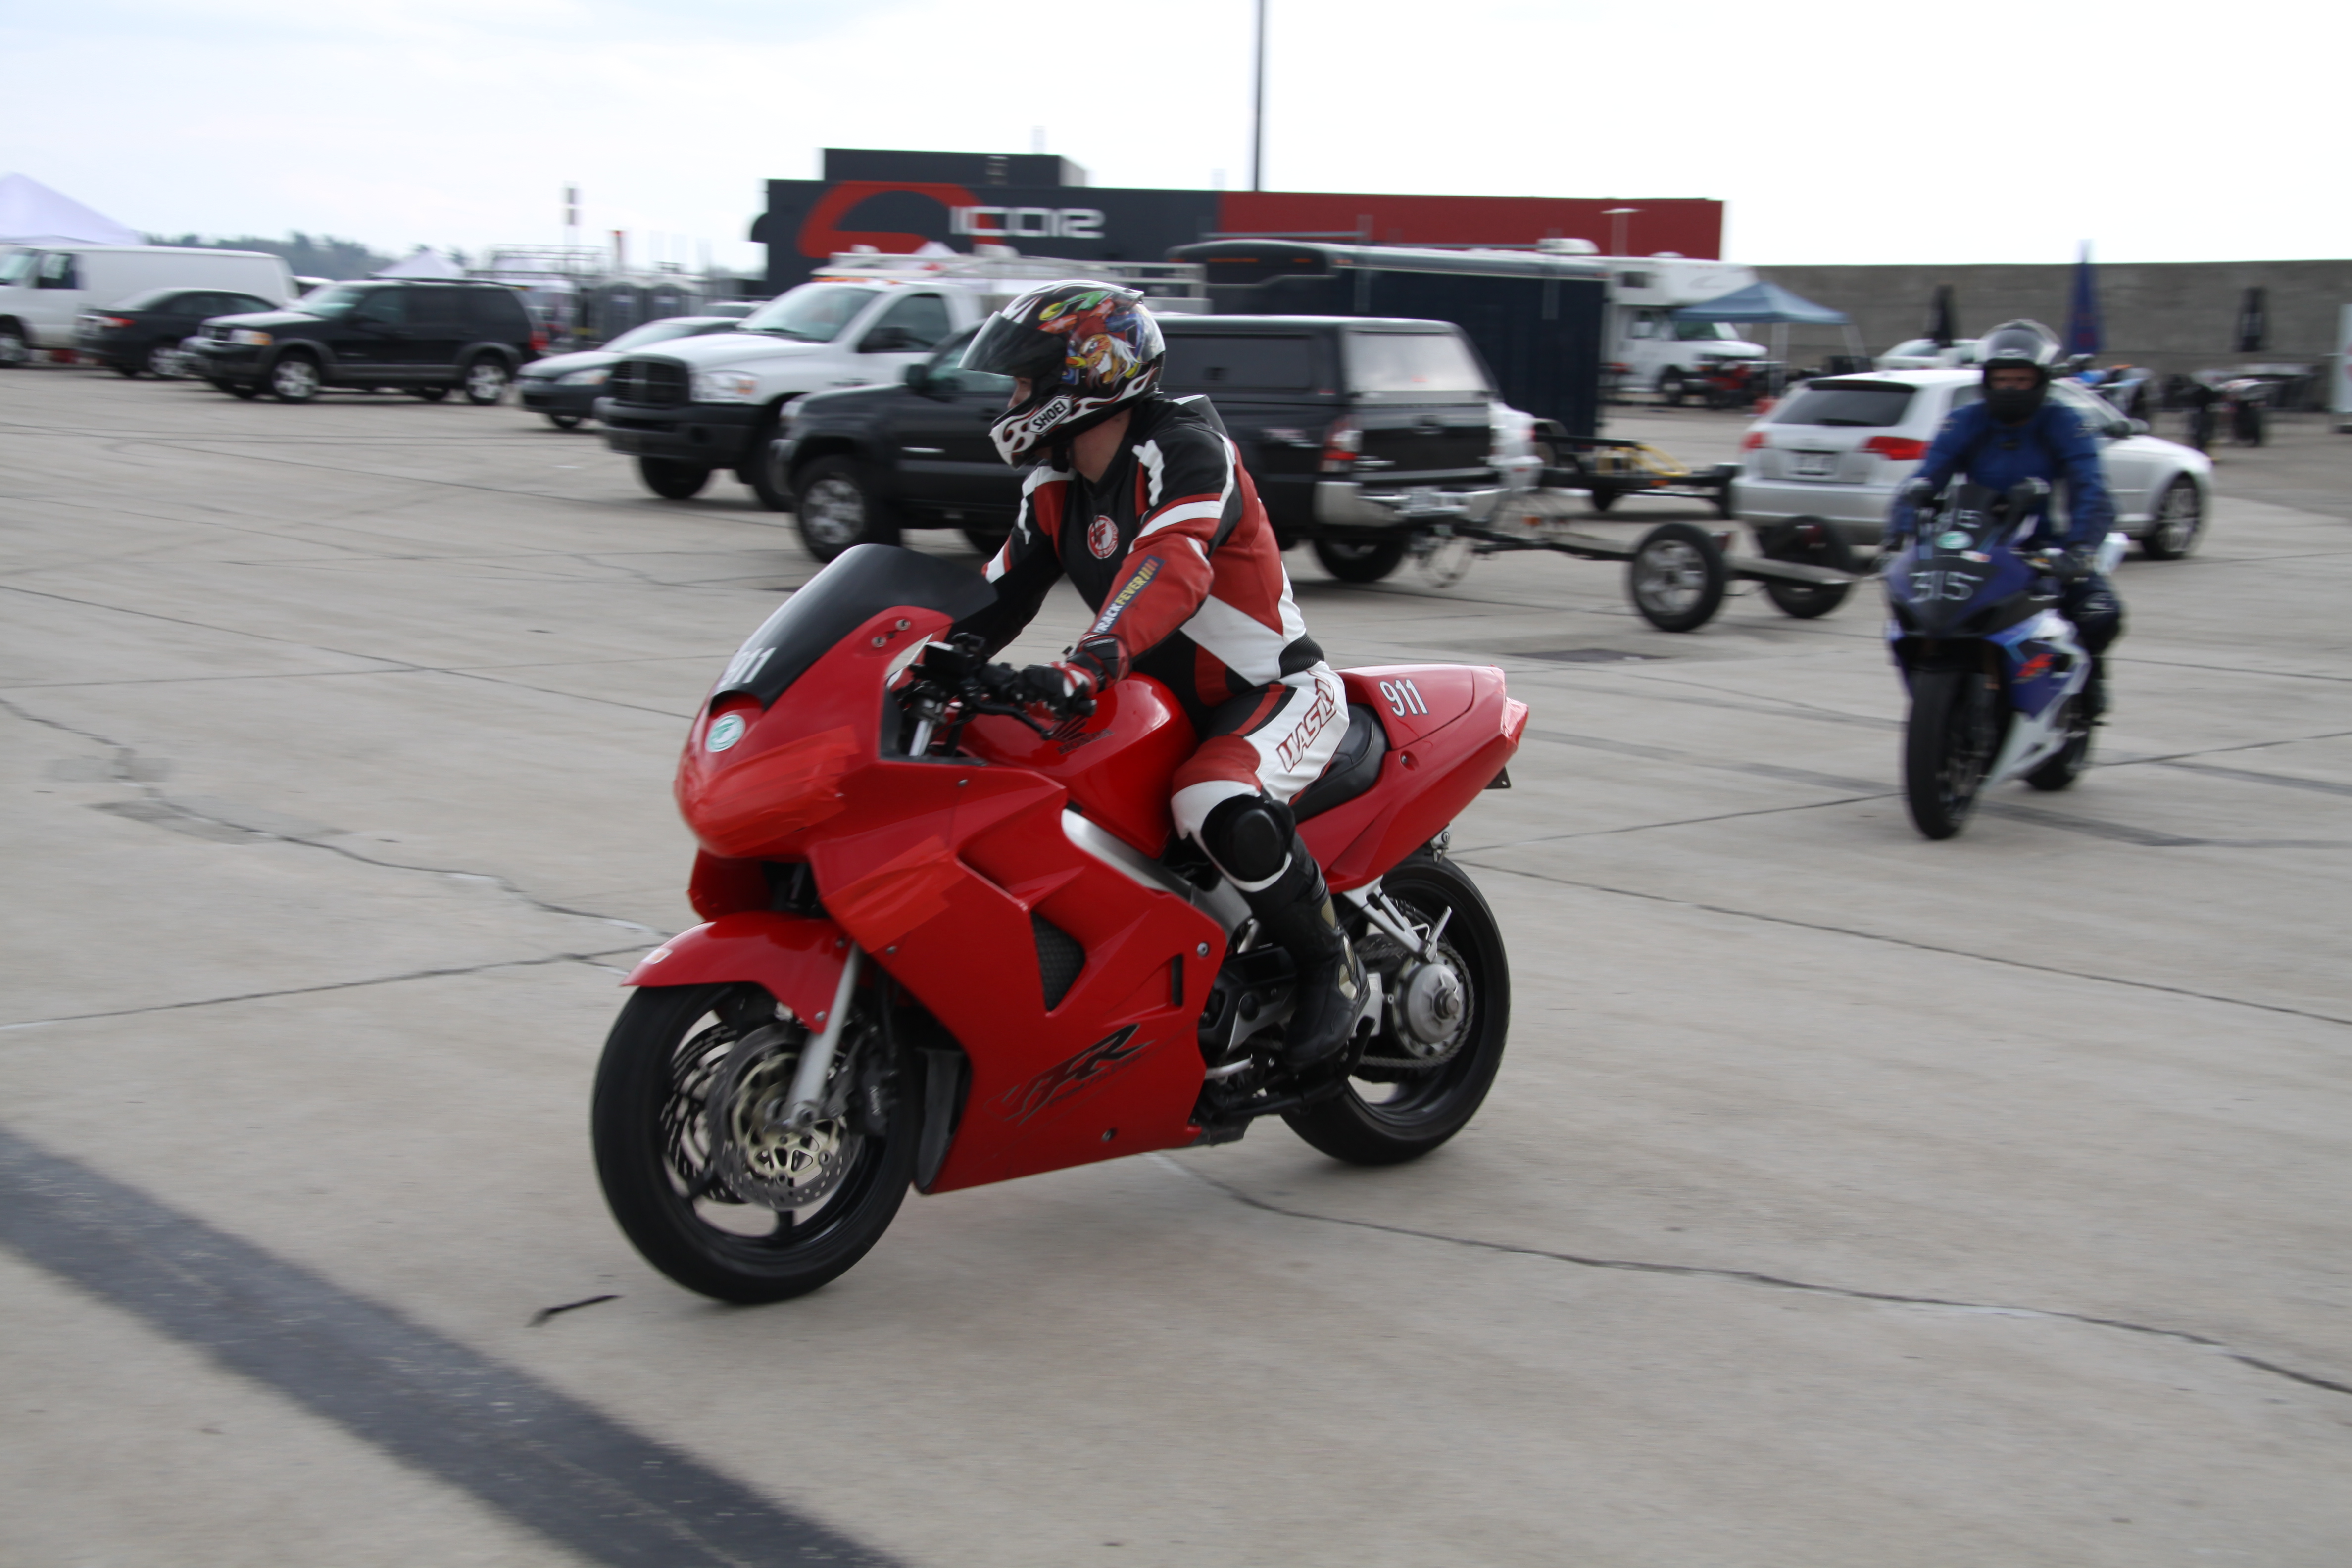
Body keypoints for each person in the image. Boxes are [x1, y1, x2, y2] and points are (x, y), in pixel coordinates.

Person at [950, 281, 1364, 1068]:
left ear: (1085, 378)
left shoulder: (1186, 449)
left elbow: (1172, 564)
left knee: (1213, 798)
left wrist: (1089, 662)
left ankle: (1330, 963)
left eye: (1025, 384)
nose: (1010, 403)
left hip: (1270, 692)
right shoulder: (1055, 483)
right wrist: (917, 663)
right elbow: (996, 597)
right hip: (1155, 705)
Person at [1886, 318, 2125, 719]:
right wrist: (1899, 535)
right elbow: (1925, 478)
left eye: (2021, 379)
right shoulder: (1965, 421)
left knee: (2100, 614)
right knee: (1918, 616)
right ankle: (1938, 700)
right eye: (2001, 379)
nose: (2010, 388)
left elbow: (2092, 488)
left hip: (2047, 547)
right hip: (1974, 541)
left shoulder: (2067, 423)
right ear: (1986, 379)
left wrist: (2080, 549)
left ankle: (2090, 676)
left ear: (2042, 380)